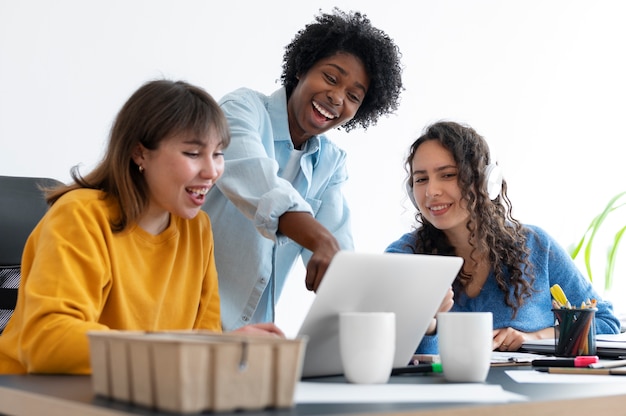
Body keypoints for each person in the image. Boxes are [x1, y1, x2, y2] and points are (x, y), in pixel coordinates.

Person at [0, 80, 283, 375]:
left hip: (131, 392)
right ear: (140, 153)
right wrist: (202, 349)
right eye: (193, 153)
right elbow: (49, 342)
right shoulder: (80, 216)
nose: (212, 171)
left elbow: (203, 338)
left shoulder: (197, 229)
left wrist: (229, 352)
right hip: (35, 394)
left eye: (218, 153)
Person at [203, 8, 404, 331]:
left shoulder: (331, 164)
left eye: (353, 96)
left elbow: (338, 261)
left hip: (256, 342)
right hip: (190, 333)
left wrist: (406, 311)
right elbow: (262, 186)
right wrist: (322, 240)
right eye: (330, 78)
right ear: (301, 68)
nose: (337, 98)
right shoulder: (240, 110)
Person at [386, 120, 621, 354]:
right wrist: (427, 322)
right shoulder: (404, 258)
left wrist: (536, 337)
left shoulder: (535, 245)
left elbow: (605, 323)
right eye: (421, 179)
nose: (431, 191)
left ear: (487, 182)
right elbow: (385, 351)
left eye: (447, 175)